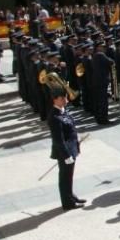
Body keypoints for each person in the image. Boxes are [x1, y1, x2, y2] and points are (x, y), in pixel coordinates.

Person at [47, 80, 85, 211]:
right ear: (55, 100)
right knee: (64, 177)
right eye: (62, 98)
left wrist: (76, 140)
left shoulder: (63, 110)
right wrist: (66, 155)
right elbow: (59, 140)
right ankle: (67, 202)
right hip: (65, 152)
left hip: (72, 148)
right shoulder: (54, 117)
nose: (66, 100)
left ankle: (71, 196)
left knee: (69, 175)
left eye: (66, 97)